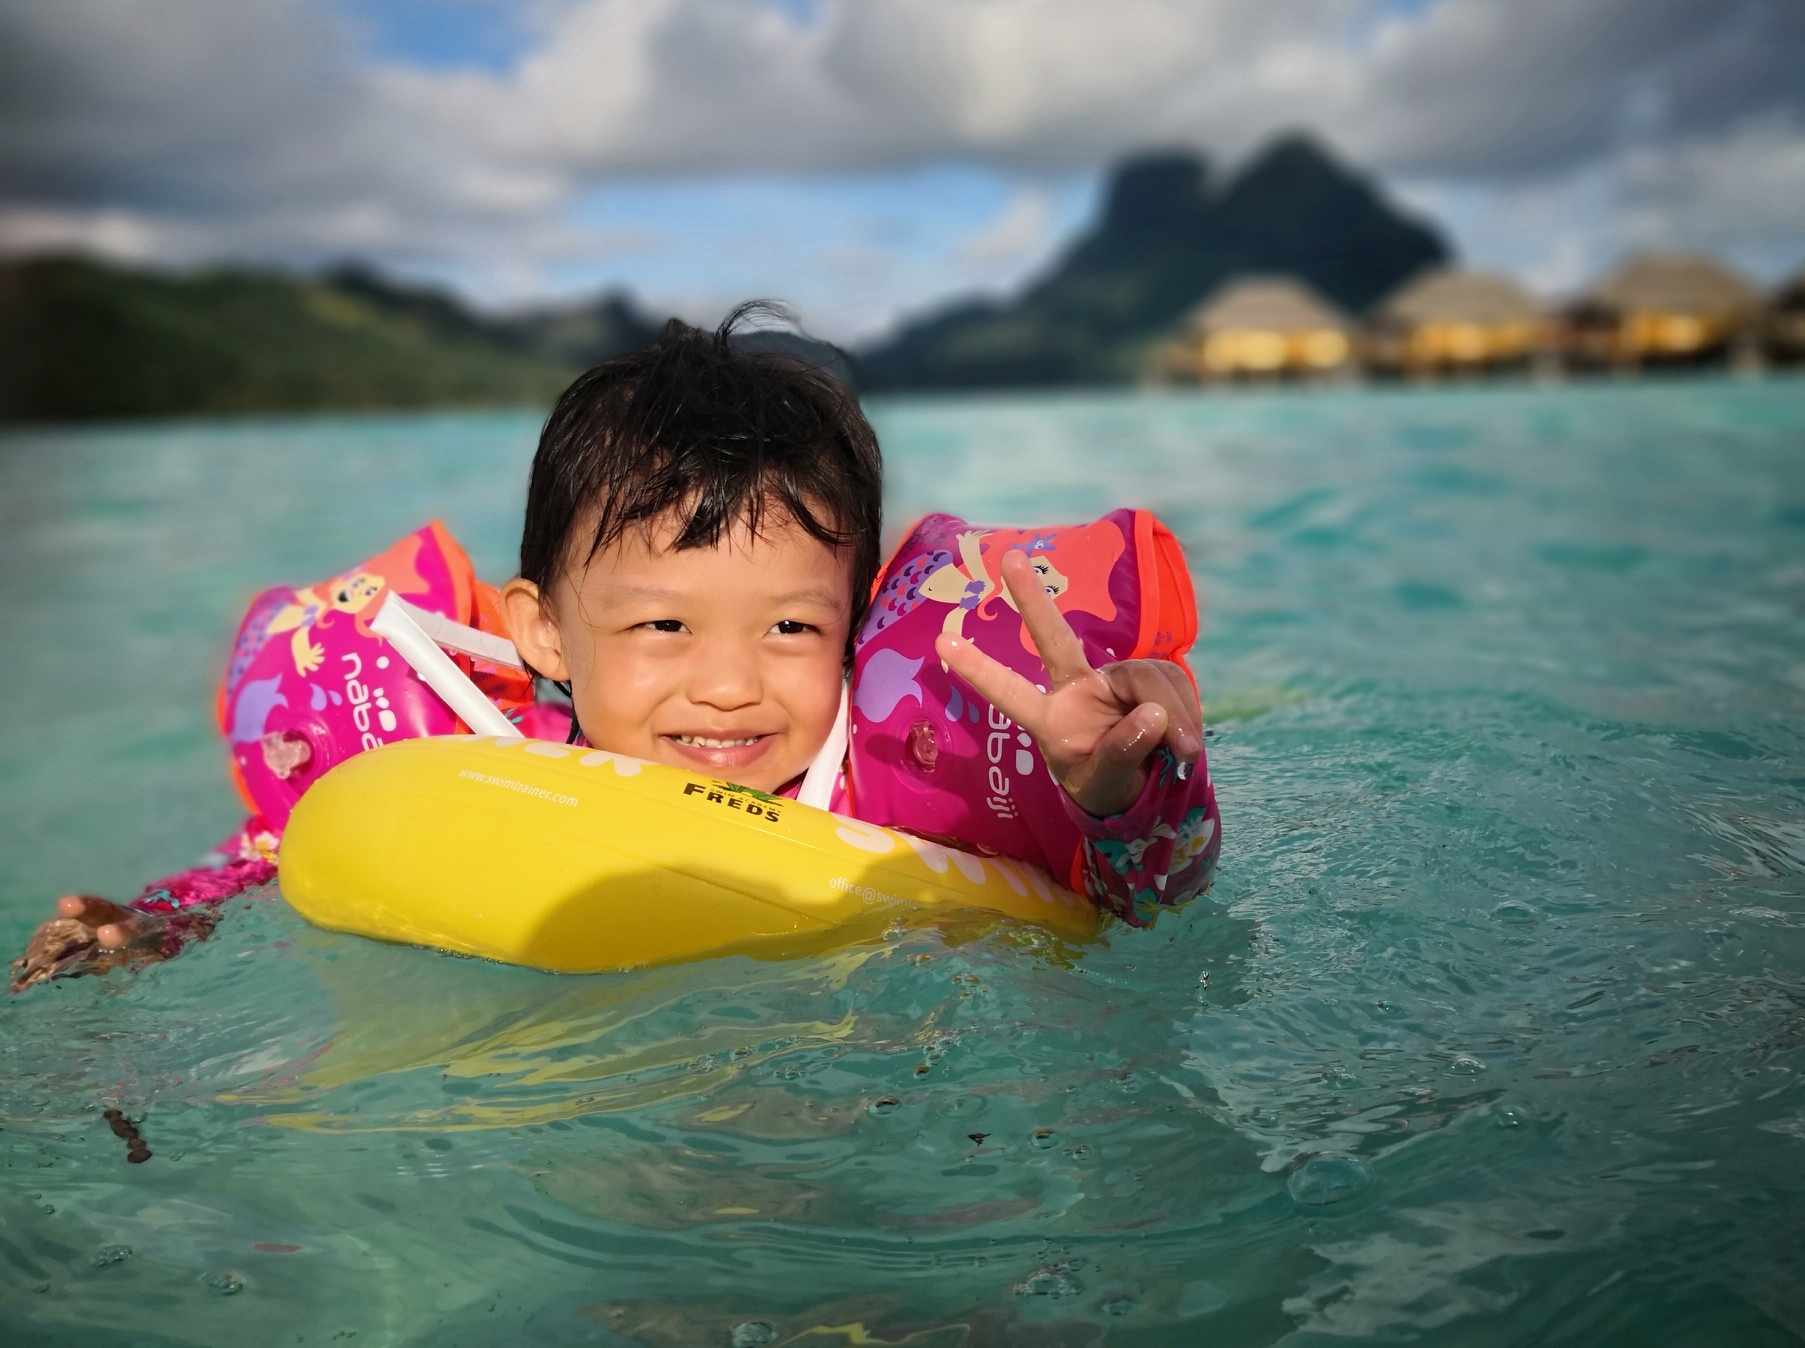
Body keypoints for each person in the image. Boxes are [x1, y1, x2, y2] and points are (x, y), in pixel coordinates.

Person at [12, 311, 1219, 989]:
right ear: (542, 631)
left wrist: (1115, 792)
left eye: (792, 628)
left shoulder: (891, 800)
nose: (731, 685)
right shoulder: (484, 762)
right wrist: (162, 924)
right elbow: (281, 848)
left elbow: (1137, 913)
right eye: (661, 627)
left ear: (855, 628)